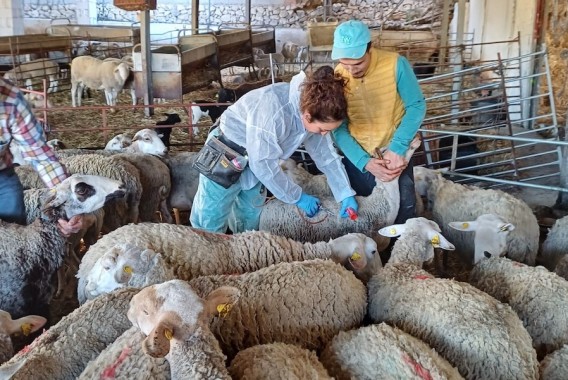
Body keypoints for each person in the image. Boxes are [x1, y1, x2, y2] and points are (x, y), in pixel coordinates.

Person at [190, 66, 358, 234]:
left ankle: (242, 254)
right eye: (323, 129)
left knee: (250, 215)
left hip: (259, 159)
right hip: (227, 150)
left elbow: (326, 156)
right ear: (307, 116)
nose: (324, 134)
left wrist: (344, 193)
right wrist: (297, 197)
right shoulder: (274, 109)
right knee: (210, 217)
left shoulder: (313, 112)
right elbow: (263, 164)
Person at [331, 20, 426, 224]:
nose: (351, 70)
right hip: (358, 155)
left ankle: (398, 254)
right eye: (345, 63)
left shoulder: (395, 64)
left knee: (403, 210)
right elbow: (338, 127)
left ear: (370, 48)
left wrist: (398, 148)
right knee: (363, 216)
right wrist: (363, 161)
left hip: (394, 155)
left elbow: (416, 106)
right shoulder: (337, 75)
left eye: (357, 63)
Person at [0, 77, 82, 236]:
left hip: (2, 179)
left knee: (14, 241)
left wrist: (67, 205)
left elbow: (42, 157)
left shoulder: (10, 100)